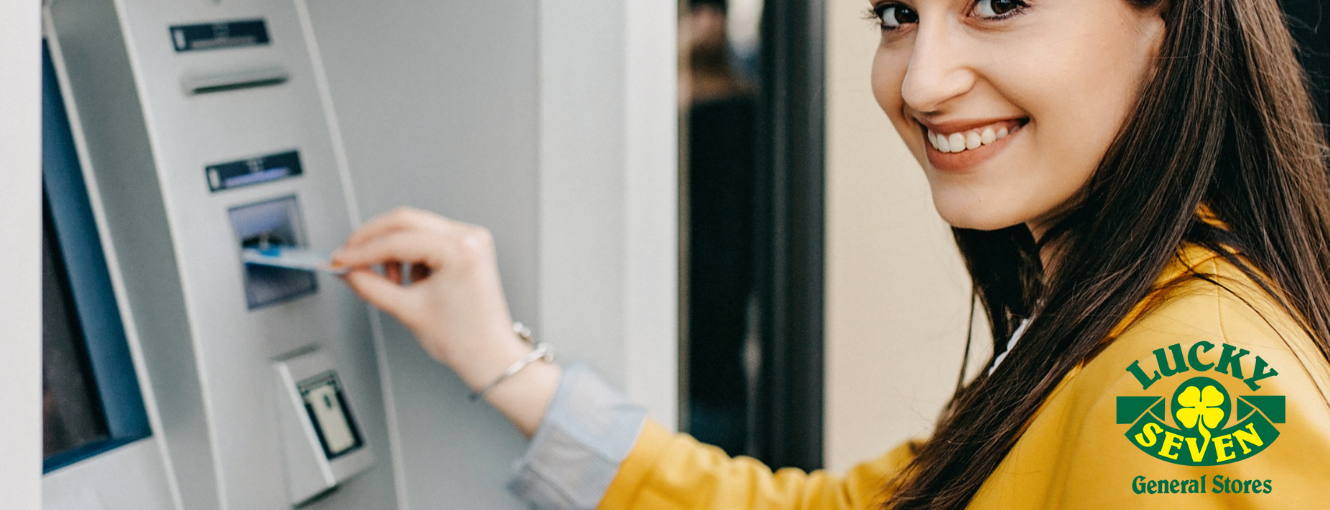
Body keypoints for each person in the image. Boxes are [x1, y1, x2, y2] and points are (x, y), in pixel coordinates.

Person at [332, 0, 1330, 507]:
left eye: (1000, 0)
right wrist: (508, 369)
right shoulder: (1097, 322)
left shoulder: (1187, 374)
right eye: (897, 15)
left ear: (1166, 31)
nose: (925, 79)